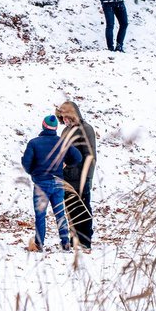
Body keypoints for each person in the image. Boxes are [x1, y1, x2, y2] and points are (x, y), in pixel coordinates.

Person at [21, 115, 82, 252]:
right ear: (55, 128)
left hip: (41, 183)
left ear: (43, 126)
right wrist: (66, 163)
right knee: (60, 214)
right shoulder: (62, 142)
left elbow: (26, 164)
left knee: (40, 216)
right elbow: (77, 157)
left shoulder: (34, 143)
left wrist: (33, 172)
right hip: (58, 182)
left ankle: (39, 244)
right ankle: (66, 243)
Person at [57, 101, 97, 251]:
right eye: (62, 118)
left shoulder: (86, 129)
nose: (65, 121)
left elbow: (90, 155)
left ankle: (85, 240)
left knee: (83, 208)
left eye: (67, 117)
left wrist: (88, 179)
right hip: (66, 177)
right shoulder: (65, 131)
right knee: (71, 209)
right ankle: (75, 239)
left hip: (81, 177)